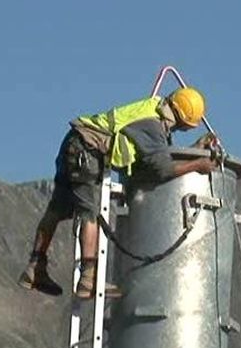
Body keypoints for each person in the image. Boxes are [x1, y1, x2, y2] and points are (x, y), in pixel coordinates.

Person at [18, 87, 218, 299]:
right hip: (87, 149)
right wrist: (198, 165)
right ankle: (89, 279)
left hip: (74, 142)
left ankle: (35, 267)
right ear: (185, 121)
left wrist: (195, 149)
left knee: (56, 210)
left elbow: (159, 157)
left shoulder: (152, 111)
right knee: (90, 213)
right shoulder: (152, 125)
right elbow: (162, 169)